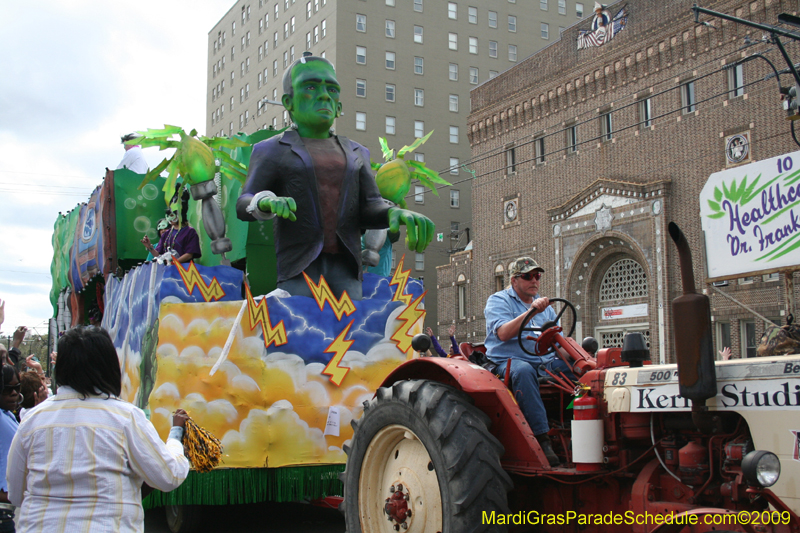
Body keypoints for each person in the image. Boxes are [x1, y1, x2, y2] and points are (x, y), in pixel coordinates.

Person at [236, 52, 433, 300]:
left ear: (339, 105)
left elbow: (370, 206)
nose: (324, 95)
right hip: (299, 267)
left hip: (346, 268)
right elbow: (243, 203)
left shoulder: (357, 152)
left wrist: (393, 212)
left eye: (332, 89)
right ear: (289, 101)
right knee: (299, 331)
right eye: (310, 86)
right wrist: (264, 200)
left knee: (350, 333)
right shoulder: (270, 149)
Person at [7, 327, 190, 533]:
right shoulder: (126, 418)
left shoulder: (32, 420)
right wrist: (176, 435)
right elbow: (168, 475)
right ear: (110, 366)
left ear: (61, 369)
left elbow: (15, 493)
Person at [484, 256, 574, 467]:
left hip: (544, 362)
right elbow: (504, 333)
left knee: (577, 372)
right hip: (509, 362)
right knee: (524, 371)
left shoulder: (548, 309)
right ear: (514, 280)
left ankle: (575, 425)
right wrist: (532, 311)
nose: (534, 280)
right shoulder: (499, 300)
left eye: (537, 276)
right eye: (527, 276)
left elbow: (556, 344)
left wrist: (579, 355)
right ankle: (542, 439)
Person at [0, 365, 20, 532]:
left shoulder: (9, 415)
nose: (14, 393)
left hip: (7, 515)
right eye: (7, 389)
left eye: (17, 387)